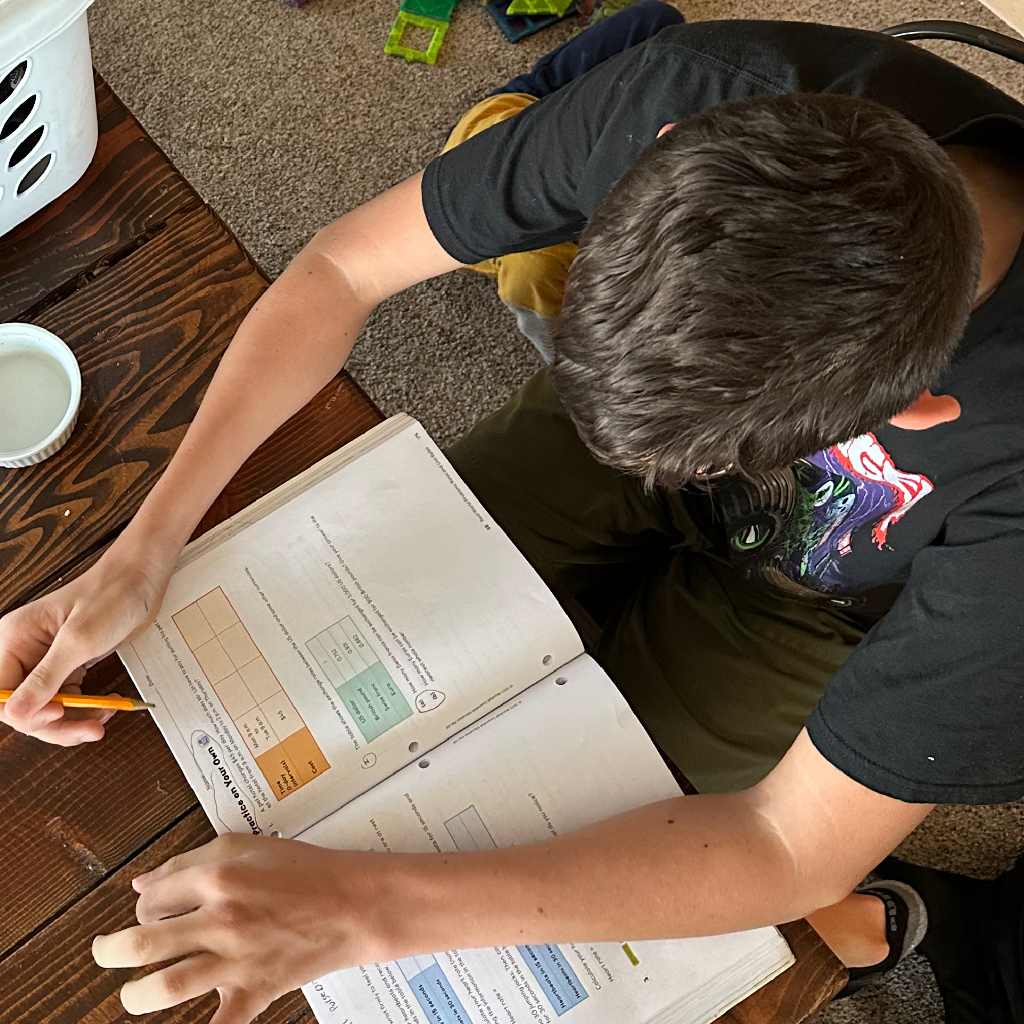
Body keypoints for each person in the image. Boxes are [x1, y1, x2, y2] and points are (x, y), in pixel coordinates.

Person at [1, 5, 1022, 1022]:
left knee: (607, 831)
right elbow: (344, 267)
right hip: (659, 421)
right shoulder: (692, 87)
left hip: (834, 600)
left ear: (918, 407)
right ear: (660, 150)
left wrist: (370, 911)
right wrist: (144, 547)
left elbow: (787, 843)